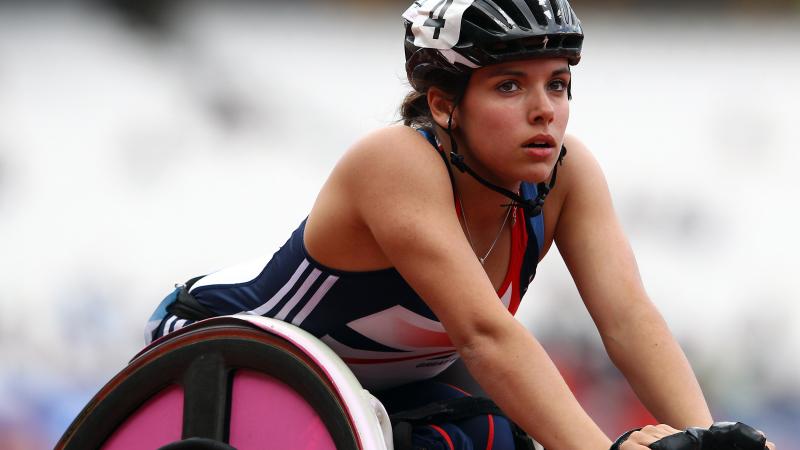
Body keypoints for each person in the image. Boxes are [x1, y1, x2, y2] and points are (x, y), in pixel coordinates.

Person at [144, 1, 775, 449]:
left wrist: (707, 437)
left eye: (558, 85)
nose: (544, 112)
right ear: (445, 104)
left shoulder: (567, 172)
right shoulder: (394, 161)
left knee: (495, 439)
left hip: (375, 391)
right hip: (227, 361)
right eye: (509, 87)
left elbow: (628, 318)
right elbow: (483, 334)